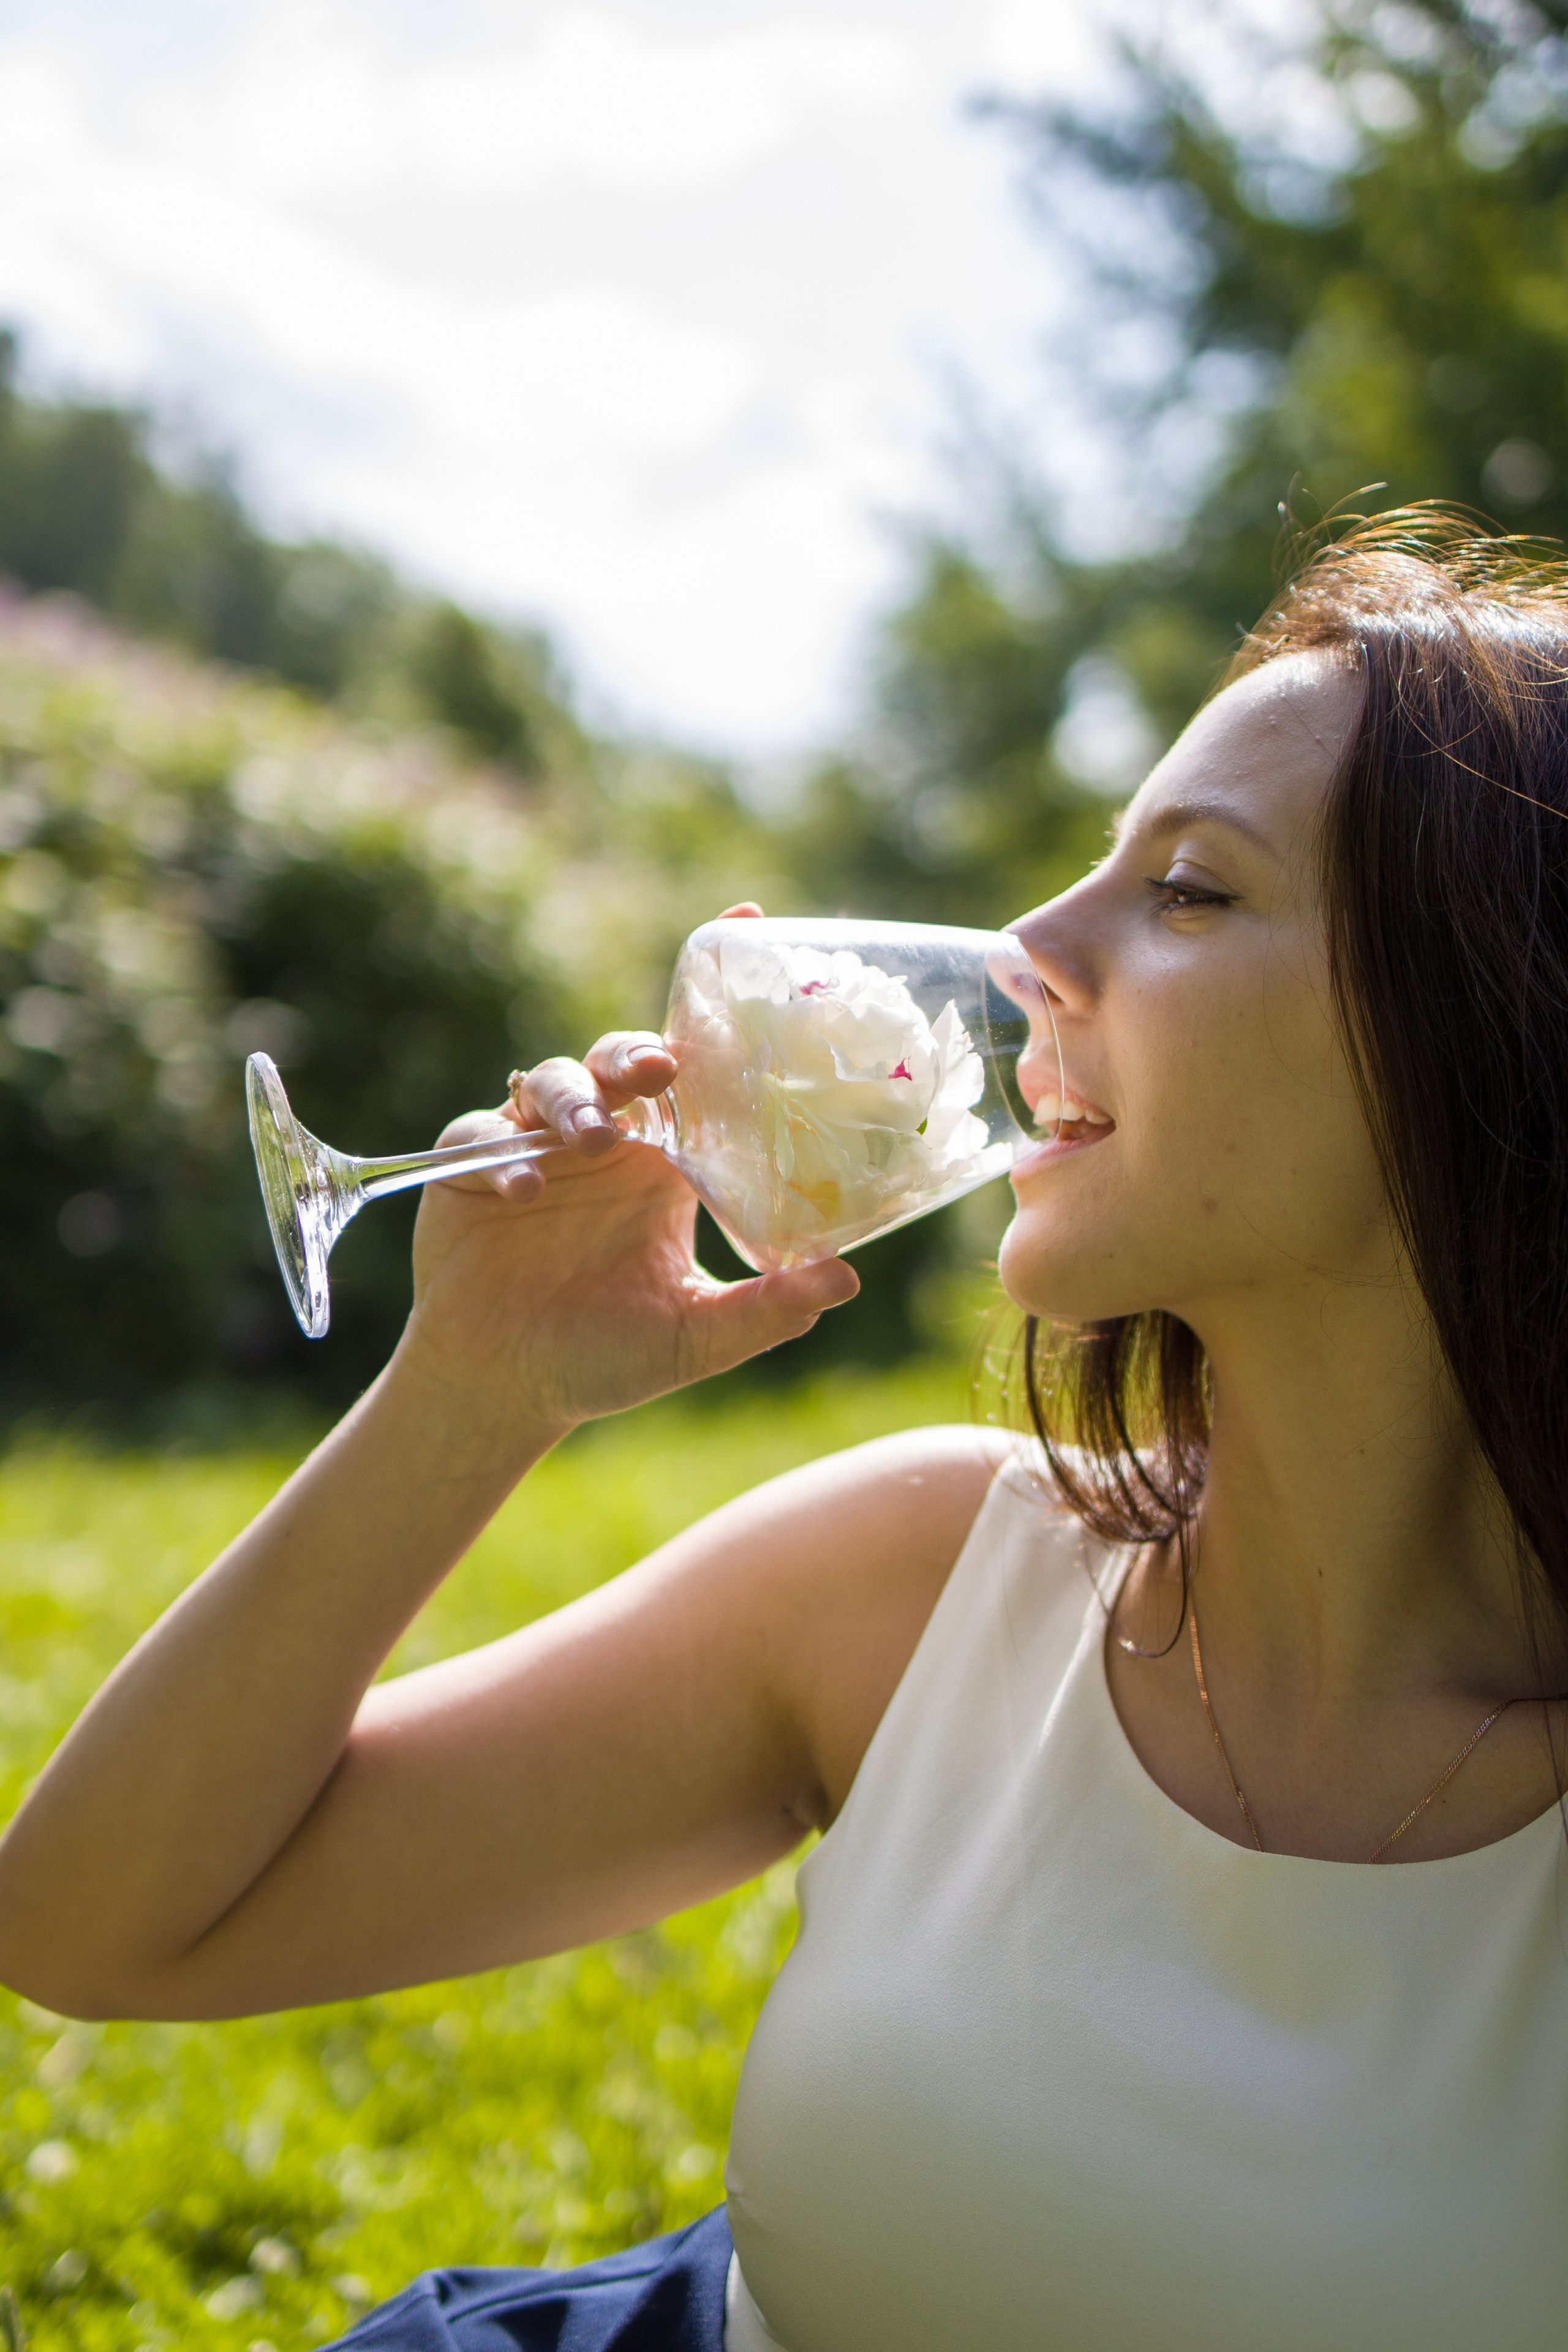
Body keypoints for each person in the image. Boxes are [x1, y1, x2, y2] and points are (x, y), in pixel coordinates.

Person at [2, 509, 1567, 2351]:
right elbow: (102, 1924)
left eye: (1193, 890)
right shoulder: (935, 1580)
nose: (1031, 946)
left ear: (1485, 1030)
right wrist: (474, 1392)